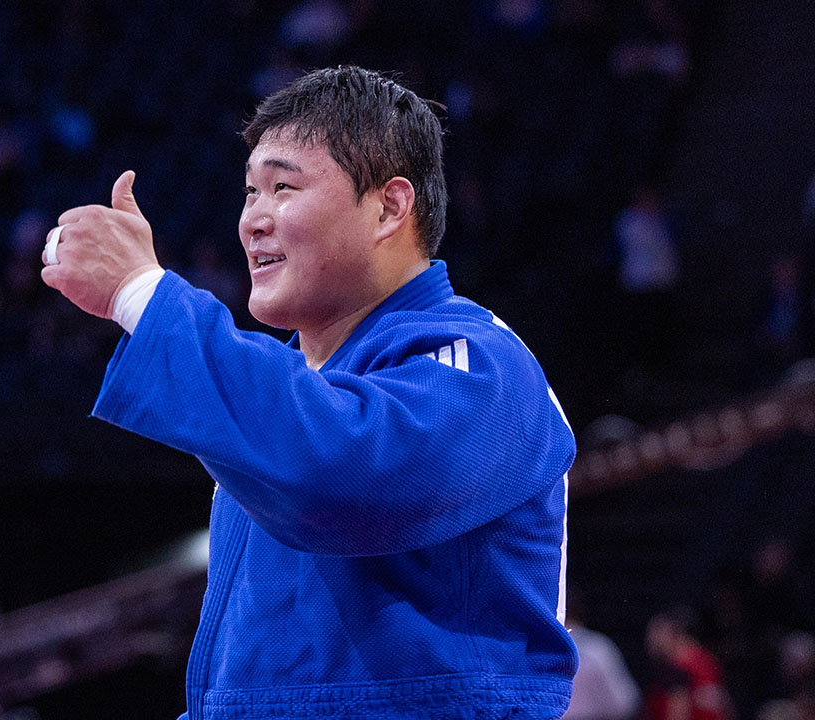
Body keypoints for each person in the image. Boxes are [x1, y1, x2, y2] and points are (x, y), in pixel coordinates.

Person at [40, 66, 577, 719]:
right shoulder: (297, 392)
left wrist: (142, 296)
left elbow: (335, 472)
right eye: (249, 193)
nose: (253, 221)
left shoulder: (482, 364)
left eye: (283, 187)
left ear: (389, 206)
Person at [643, 607, 732, 720]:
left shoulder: (679, 667)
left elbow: (679, 711)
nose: (650, 641)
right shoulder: (704, 658)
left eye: (655, 634)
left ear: (672, 633)